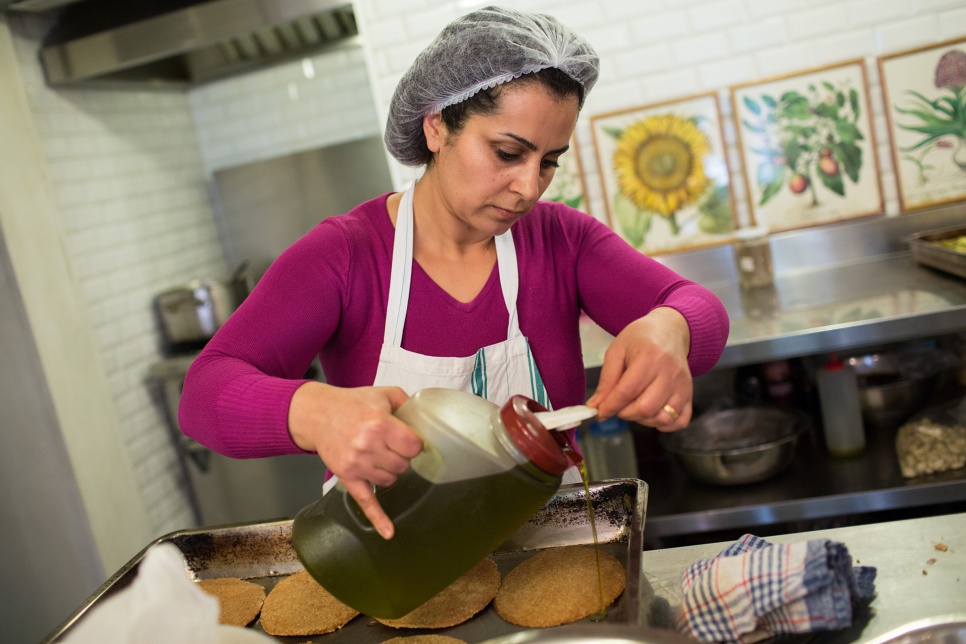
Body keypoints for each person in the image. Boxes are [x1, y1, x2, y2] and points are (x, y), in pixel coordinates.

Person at [179, 6, 729, 540]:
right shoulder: (345, 255)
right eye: (507, 152)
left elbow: (697, 309)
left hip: (547, 546)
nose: (529, 187)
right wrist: (313, 411)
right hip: (392, 561)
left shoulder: (561, 240)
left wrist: (669, 328)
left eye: (549, 161)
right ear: (438, 126)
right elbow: (204, 395)